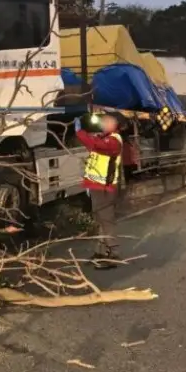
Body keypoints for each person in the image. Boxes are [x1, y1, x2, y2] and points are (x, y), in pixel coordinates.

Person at [74, 112, 124, 267]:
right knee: (100, 221)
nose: (103, 122)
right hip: (97, 187)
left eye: (108, 120)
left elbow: (95, 145)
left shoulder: (113, 141)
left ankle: (113, 254)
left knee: (107, 221)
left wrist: (79, 132)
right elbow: (93, 145)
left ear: (115, 124)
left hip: (105, 189)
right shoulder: (103, 137)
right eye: (103, 120)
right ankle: (101, 252)